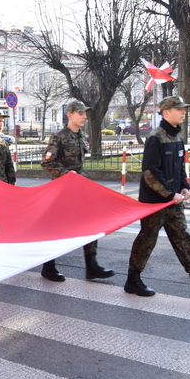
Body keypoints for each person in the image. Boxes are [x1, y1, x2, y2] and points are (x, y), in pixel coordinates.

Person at [125, 96, 190, 300]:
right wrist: (169, 193)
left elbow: (180, 167)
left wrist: (184, 186)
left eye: (183, 109)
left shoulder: (177, 136)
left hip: (173, 201)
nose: (183, 112)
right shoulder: (156, 137)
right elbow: (150, 172)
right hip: (155, 202)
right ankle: (132, 280)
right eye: (179, 109)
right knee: (147, 240)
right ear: (166, 112)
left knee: (183, 237)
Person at [39, 100, 114, 282]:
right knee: (56, 229)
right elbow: (47, 162)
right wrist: (67, 174)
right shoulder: (59, 137)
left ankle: (92, 266)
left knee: (91, 223)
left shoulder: (80, 136)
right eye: (80, 113)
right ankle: (48, 267)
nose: (84, 116)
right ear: (70, 115)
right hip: (62, 190)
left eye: (85, 114)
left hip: (78, 189)